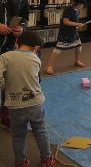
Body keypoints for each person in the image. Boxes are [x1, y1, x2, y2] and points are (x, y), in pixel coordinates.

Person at [0, 31, 56, 167]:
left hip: (14, 105)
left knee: (18, 135)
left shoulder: (4, 57)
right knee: (41, 131)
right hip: (35, 103)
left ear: (17, 43)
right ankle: (47, 159)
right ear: (35, 47)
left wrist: (6, 87)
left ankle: (21, 162)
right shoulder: (36, 59)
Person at [0, 0, 29, 128]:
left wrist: (21, 28)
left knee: (8, 79)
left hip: (9, 45)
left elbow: (25, 16)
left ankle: (5, 111)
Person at [45, 0, 86, 75]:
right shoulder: (68, 10)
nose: (81, 6)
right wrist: (77, 24)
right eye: (80, 5)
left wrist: (77, 26)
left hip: (73, 32)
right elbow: (65, 22)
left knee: (78, 47)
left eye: (82, 5)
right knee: (58, 50)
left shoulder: (77, 10)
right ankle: (49, 66)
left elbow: (74, 21)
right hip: (65, 33)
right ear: (74, 2)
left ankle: (77, 61)